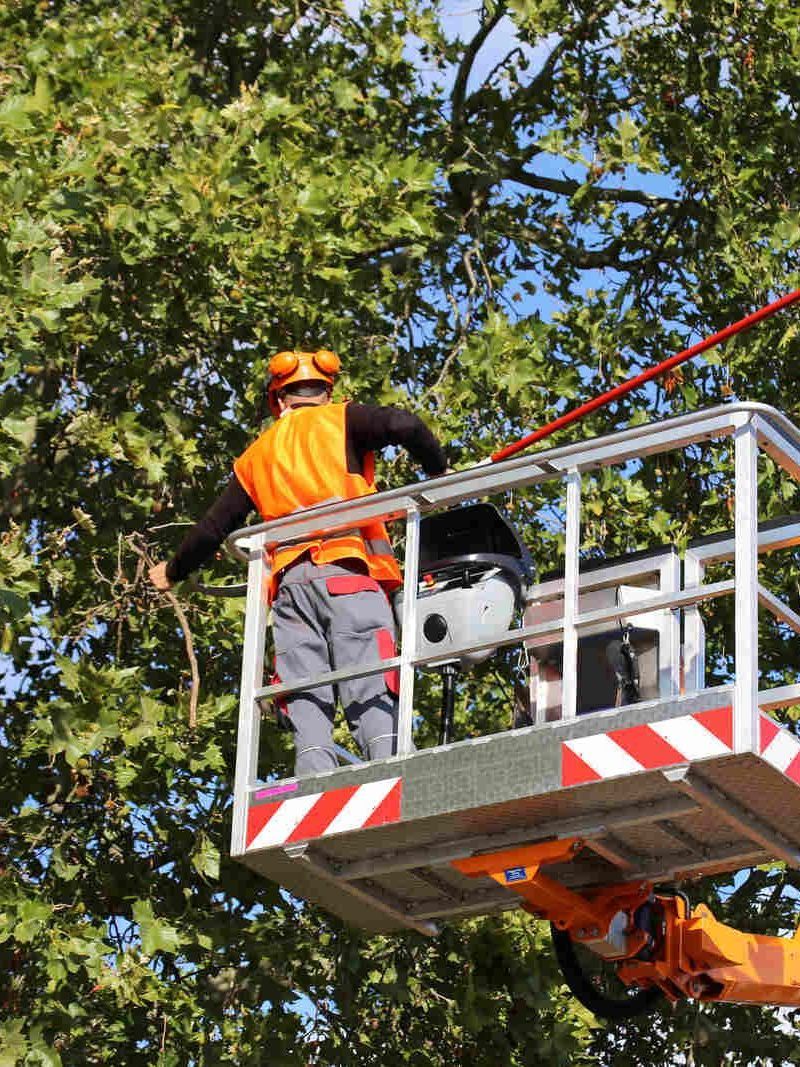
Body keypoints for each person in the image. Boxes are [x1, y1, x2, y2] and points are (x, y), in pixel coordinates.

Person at [149, 349, 447, 775]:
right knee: (369, 678)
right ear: (327, 392)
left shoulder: (258, 455)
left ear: (278, 400)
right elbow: (405, 425)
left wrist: (172, 570)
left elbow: (213, 527)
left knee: (305, 691)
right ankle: (394, 770)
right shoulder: (342, 420)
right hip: (348, 575)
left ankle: (313, 779)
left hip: (291, 593)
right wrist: (438, 472)